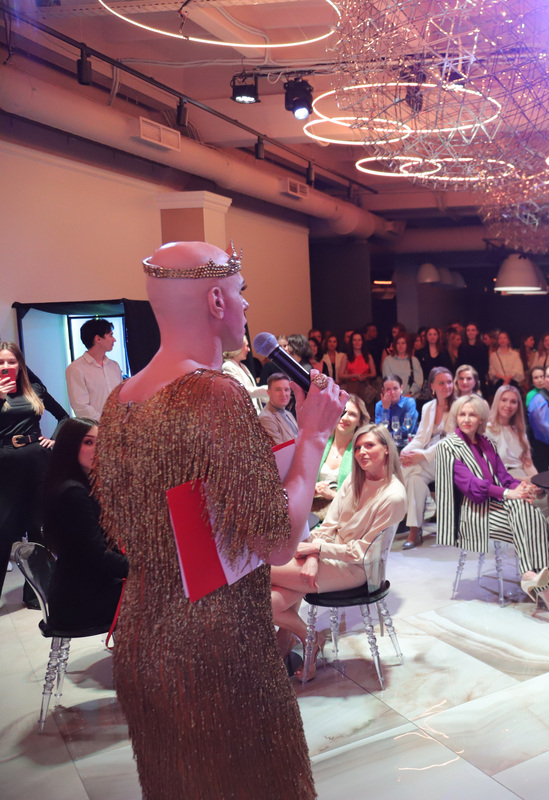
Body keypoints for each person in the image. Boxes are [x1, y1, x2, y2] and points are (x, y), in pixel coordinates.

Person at [93, 241, 345, 798]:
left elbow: (133, 523)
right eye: (240, 291)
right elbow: (277, 541)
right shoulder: (214, 394)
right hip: (216, 647)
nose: (246, 306)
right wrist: (313, 435)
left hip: (144, 637)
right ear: (215, 299)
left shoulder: (120, 400)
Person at [269, 424, 406, 676]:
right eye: (358, 447)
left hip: (357, 569)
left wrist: (317, 549)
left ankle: (296, 642)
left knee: (261, 572)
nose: (362, 452)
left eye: (370, 445)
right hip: (330, 556)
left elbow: (364, 553)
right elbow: (328, 525)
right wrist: (312, 557)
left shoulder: (393, 495)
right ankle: (309, 640)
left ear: (387, 449)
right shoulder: (355, 479)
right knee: (271, 602)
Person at [434, 394, 549, 612]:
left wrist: (522, 487)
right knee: (533, 518)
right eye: (462, 414)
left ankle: (530, 576)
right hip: (472, 512)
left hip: (496, 506)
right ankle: (547, 591)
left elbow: (503, 477)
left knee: (530, 513)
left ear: (481, 419)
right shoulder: (448, 447)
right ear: (456, 417)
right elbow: (471, 485)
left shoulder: (487, 443)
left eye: (472, 415)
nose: (466, 419)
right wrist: (509, 493)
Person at [42, 417, 128, 630]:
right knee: (165, 592)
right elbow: (98, 556)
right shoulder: (73, 492)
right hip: (81, 601)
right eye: (88, 442)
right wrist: (142, 570)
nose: (97, 449)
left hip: (81, 589)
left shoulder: (79, 484)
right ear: (70, 446)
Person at [487, 384, 549, 564]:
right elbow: (490, 472)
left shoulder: (518, 430)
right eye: (504, 400)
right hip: (504, 483)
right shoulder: (486, 431)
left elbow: (528, 464)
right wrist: (526, 480)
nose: (508, 405)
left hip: (524, 478)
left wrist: (538, 482)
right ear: (496, 402)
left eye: (513, 402)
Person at [0, 341, 56, 606]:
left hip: (38, 461)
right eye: (1, 362)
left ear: (21, 365)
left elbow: (64, 416)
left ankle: (35, 595)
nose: (6, 366)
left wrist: (53, 439)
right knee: (3, 530)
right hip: (6, 463)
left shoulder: (35, 389)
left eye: (11, 362)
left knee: (38, 528)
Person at [399, 366, 453, 550]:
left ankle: (391, 514)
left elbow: (453, 439)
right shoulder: (428, 407)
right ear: (432, 386)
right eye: (441, 383)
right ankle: (415, 529)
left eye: (449, 382)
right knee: (414, 479)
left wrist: (421, 455)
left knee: (406, 468)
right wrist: (406, 452)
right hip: (428, 461)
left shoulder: (459, 406)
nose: (447, 386)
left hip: (449, 460)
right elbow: (420, 438)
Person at [313, 396, 370, 520]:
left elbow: (365, 498)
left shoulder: (363, 453)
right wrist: (313, 489)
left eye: (352, 414)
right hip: (313, 511)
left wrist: (332, 495)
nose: (345, 418)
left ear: (359, 421)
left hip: (346, 517)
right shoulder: (319, 445)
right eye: (341, 412)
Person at [65, 318, 123, 419]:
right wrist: (105, 423)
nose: (114, 340)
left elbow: (122, 397)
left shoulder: (114, 366)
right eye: (110, 335)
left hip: (119, 424)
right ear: (98, 339)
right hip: (95, 426)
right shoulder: (76, 369)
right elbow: (81, 407)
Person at [221, 334, 269, 412]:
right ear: (238, 347)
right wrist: (268, 389)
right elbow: (241, 390)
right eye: (246, 346)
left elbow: (255, 395)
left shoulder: (242, 366)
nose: (249, 350)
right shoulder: (228, 366)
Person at [258, 373, 299, 446]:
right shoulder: (266, 418)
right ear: (269, 393)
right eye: (278, 390)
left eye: (286, 390)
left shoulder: (288, 413)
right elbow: (280, 450)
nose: (283, 394)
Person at [381, 333, 423, 398]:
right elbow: (387, 381)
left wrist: (410, 393)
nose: (400, 346)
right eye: (398, 343)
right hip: (393, 397)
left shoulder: (414, 360)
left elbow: (418, 381)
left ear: (407, 345)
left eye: (403, 343)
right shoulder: (388, 360)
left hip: (411, 397)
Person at [341, 332, 377, 402]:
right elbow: (340, 375)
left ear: (362, 342)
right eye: (355, 340)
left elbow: (374, 373)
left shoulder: (368, 356)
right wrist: (354, 375)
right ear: (351, 342)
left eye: (359, 340)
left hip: (365, 386)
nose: (357, 342)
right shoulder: (346, 357)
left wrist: (366, 375)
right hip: (351, 386)